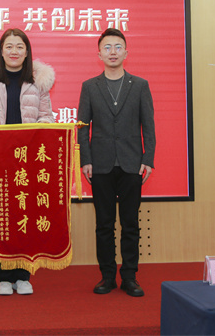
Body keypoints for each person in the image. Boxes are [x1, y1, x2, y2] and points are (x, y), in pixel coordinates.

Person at [0, 28, 55, 296]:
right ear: (1, 50)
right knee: (1, 216)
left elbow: (47, 117)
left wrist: (41, 127)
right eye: (9, 46)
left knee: (26, 215)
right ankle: (3, 276)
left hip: (29, 160)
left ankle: (24, 275)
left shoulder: (37, 82)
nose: (14, 51)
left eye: (19, 46)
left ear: (27, 52)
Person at [77, 27, 155, 297]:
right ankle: (107, 276)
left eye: (118, 47)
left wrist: (148, 159)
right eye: (107, 47)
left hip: (132, 163)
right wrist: (85, 160)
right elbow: (82, 127)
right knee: (104, 224)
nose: (113, 52)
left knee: (130, 223)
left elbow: (149, 126)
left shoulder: (140, 85)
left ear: (126, 52)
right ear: (99, 54)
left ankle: (130, 277)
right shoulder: (90, 86)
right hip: (100, 164)